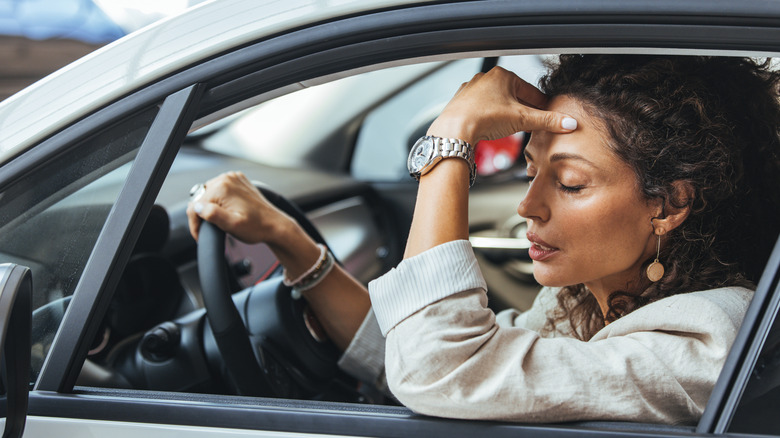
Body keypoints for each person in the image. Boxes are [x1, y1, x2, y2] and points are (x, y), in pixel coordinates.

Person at [187, 55, 780, 424]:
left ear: (671, 204)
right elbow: (418, 353)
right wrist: (292, 244)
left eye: (570, 183)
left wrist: (452, 138)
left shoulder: (706, 340)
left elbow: (441, 368)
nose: (528, 206)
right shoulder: (584, 304)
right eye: (532, 172)